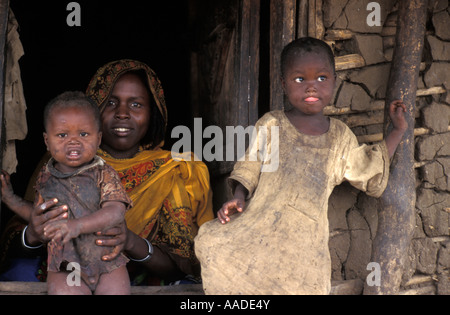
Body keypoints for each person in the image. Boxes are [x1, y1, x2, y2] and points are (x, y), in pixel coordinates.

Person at [194, 37, 407, 294]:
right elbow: (250, 164)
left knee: (302, 284)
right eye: (299, 80)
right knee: (212, 243)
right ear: (283, 84)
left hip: (305, 243)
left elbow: (369, 171)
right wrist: (238, 197)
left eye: (321, 78)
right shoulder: (272, 124)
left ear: (334, 82)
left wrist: (396, 132)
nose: (311, 88)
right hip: (260, 226)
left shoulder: (339, 137)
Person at [0, 59, 213, 286]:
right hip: (64, 270)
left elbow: (182, 270)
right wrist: (33, 234)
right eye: (111, 102)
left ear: (154, 112)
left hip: (126, 276)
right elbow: (15, 240)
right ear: (92, 109)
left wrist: (131, 242)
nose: (122, 113)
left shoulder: (171, 169)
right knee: (19, 275)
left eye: (136, 104)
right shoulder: (58, 162)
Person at [39, 91, 131, 294]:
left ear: (98, 139)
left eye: (83, 134)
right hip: (65, 265)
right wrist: (10, 199)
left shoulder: (103, 173)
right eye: (62, 135)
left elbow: (116, 211)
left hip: (107, 262)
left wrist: (77, 226)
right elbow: (38, 216)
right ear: (47, 141)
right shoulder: (45, 177)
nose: (73, 141)